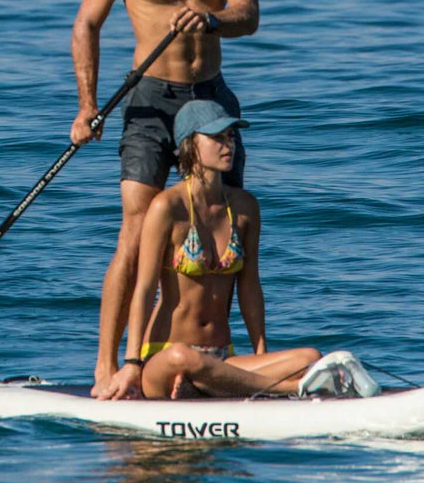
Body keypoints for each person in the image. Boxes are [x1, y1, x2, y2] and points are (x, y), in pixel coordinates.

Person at [69, 0, 260, 397]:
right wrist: (86, 106)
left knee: (217, 223)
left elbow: (248, 14)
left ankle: (205, 357)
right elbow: (86, 26)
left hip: (211, 97)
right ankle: (108, 367)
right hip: (151, 99)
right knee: (137, 227)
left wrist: (212, 17)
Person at [100, 100, 320, 402]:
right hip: (164, 357)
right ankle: (287, 389)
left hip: (222, 357)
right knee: (182, 357)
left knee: (309, 356)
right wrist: (131, 363)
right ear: (190, 144)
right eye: (217, 137)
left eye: (230, 136)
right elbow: (145, 289)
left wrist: (261, 354)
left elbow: (250, 286)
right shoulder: (167, 207)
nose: (228, 144)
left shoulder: (244, 208)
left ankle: (216, 384)